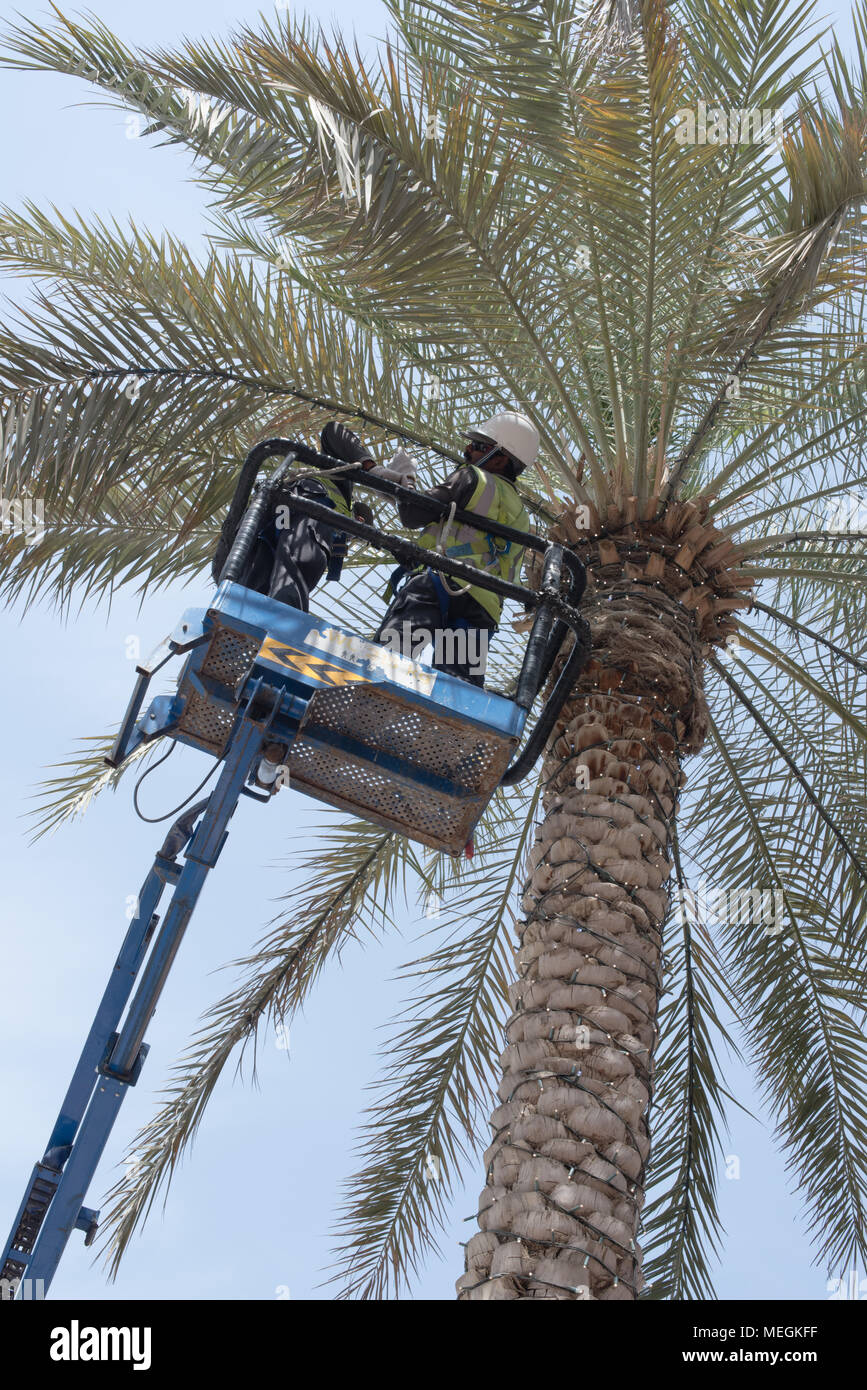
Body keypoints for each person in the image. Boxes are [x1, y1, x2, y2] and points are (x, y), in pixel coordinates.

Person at [372, 411, 536, 687]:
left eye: (478, 446)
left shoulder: (473, 478)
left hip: (437, 584)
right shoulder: (522, 516)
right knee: (458, 688)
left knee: (391, 660)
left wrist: (403, 481)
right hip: (482, 607)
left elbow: (413, 514)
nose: (468, 450)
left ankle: (368, 701)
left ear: (500, 458)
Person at [242, 422, 411, 610]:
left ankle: (243, 620)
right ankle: (283, 621)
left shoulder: (339, 523)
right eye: (361, 523)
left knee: (256, 580)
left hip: (274, 519)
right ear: (358, 517)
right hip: (308, 506)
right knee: (298, 565)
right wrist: (372, 469)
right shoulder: (339, 483)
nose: (356, 533)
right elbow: (333, 431)